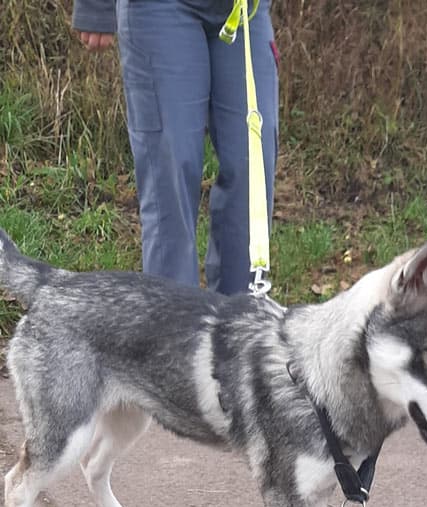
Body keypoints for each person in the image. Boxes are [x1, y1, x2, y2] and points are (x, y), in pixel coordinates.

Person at [72, 0, 279, 295]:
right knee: (171, 173)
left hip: (245, 10)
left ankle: (242, 315)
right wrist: (96, 6)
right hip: (159, 9)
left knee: (253, 167)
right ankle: (173, 321)